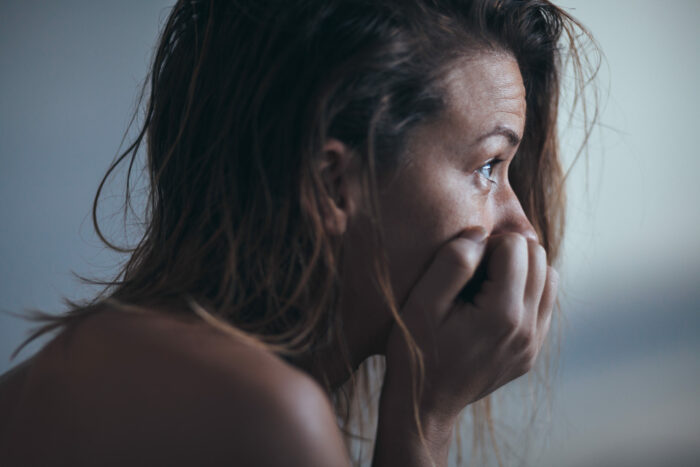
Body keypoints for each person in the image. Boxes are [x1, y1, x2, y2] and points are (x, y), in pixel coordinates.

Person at [0, 0, 595, 465]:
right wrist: (423, 422)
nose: (523, 228)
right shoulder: (264, 416)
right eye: (488, 166)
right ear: (334, 180)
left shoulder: (69, 366)